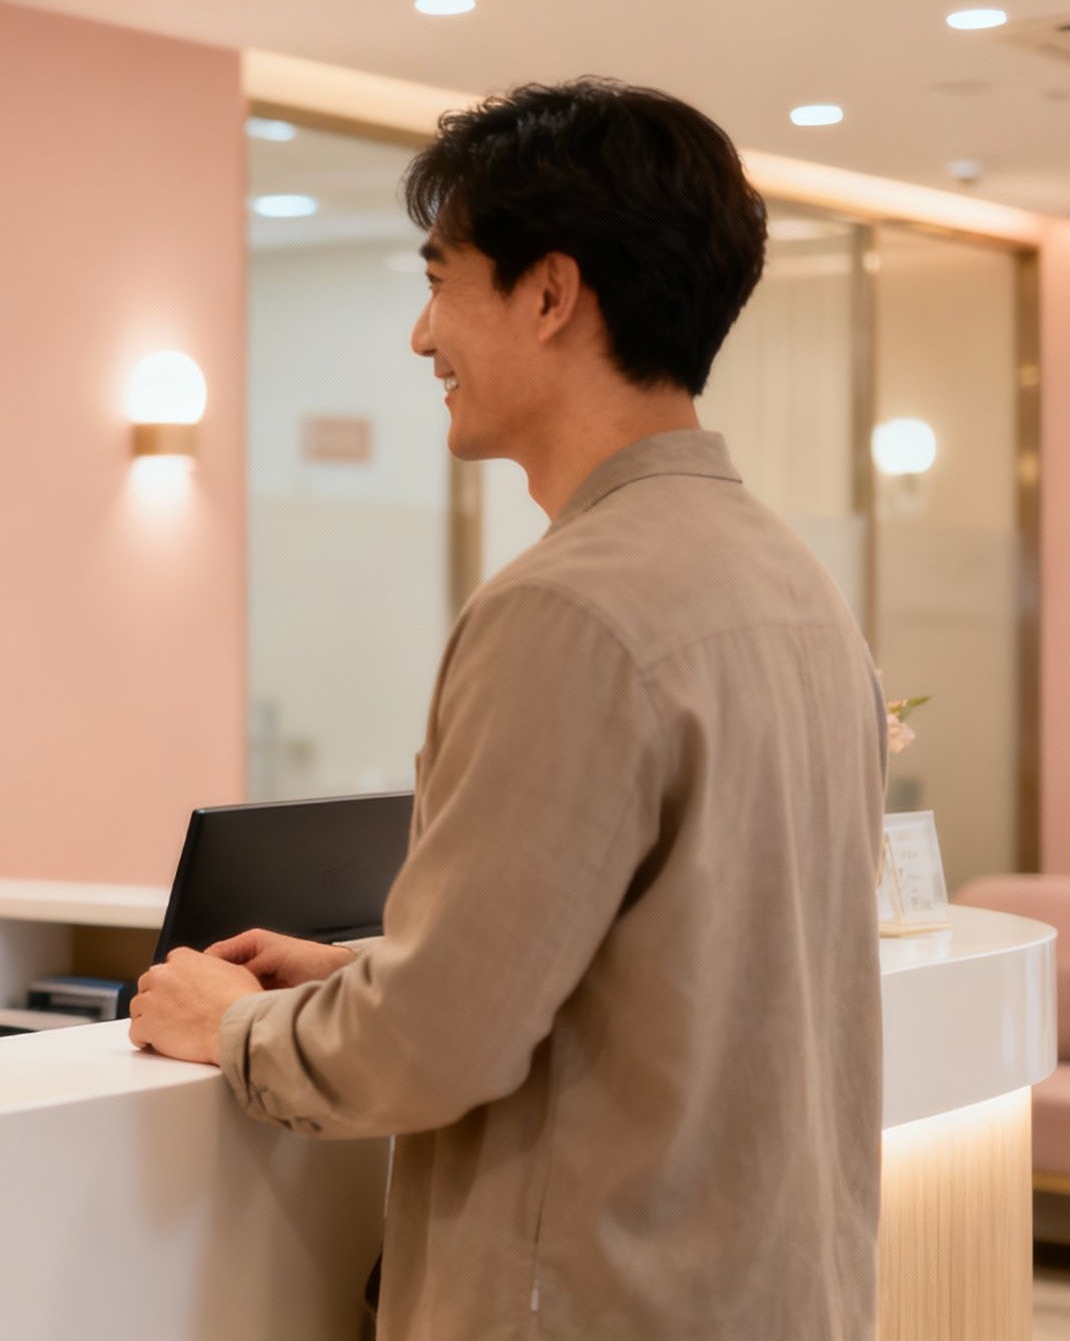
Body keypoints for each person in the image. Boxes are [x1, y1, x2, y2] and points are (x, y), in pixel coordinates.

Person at [129, 80, 885, 1338]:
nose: (422, 338)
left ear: (548, 293)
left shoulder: (567, 610)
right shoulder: (794, 584)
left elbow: (435, 1050)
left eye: (440, 283)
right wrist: (365, 968)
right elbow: (667, 962)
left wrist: (242, 1027)